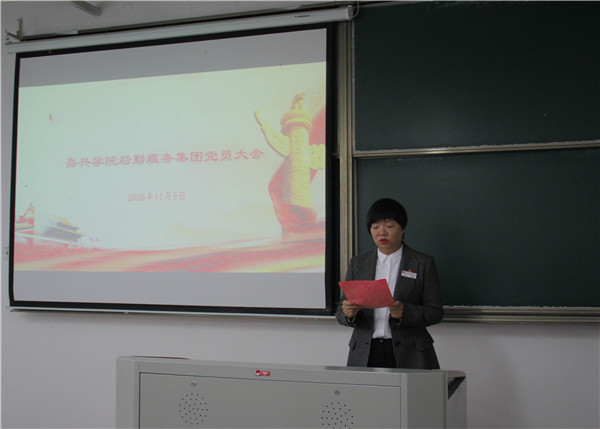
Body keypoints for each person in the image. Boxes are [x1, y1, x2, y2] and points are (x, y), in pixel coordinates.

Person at [336, 198, 444, 369]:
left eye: (389, 226)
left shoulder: (422, 263)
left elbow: (435, 312)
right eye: (375, 227)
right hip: (366, 351)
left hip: (411, 352)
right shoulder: (358, 264)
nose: (382, 232)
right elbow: (340, 313)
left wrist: (405, 312)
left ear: (403, 229)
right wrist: (349, 314)